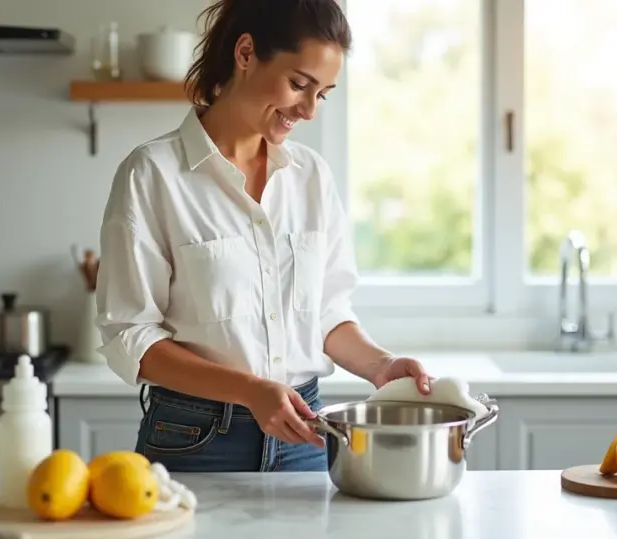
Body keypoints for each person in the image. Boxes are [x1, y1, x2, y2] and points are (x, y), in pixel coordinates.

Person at [94, 0, 431, 473]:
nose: (309, 111)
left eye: (323, 94)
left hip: (306, 435)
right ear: (246, 53)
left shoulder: (310, 177)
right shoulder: (152, 174)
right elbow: (131, 337)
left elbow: (327, 315)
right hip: (196, 440)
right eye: (299, 84)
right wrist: (249, 391)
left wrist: (382, 366)